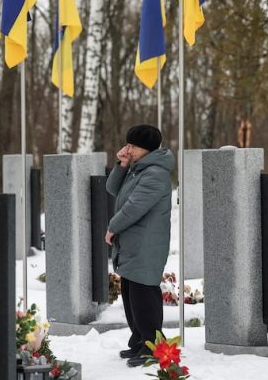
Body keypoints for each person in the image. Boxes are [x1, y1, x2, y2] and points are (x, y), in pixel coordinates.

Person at [105, 124, 174, 367]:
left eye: (132, 146)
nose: (128, 149)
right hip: (134, 242)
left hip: (146, 244)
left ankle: (152, 346)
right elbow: (113, 189)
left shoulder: (155, 173)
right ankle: (139, 341)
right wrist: (122, 165)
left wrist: (112, 227)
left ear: (144, 148)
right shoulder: (138, 169)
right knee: (131, 293)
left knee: (144, 295)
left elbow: (134, 206)